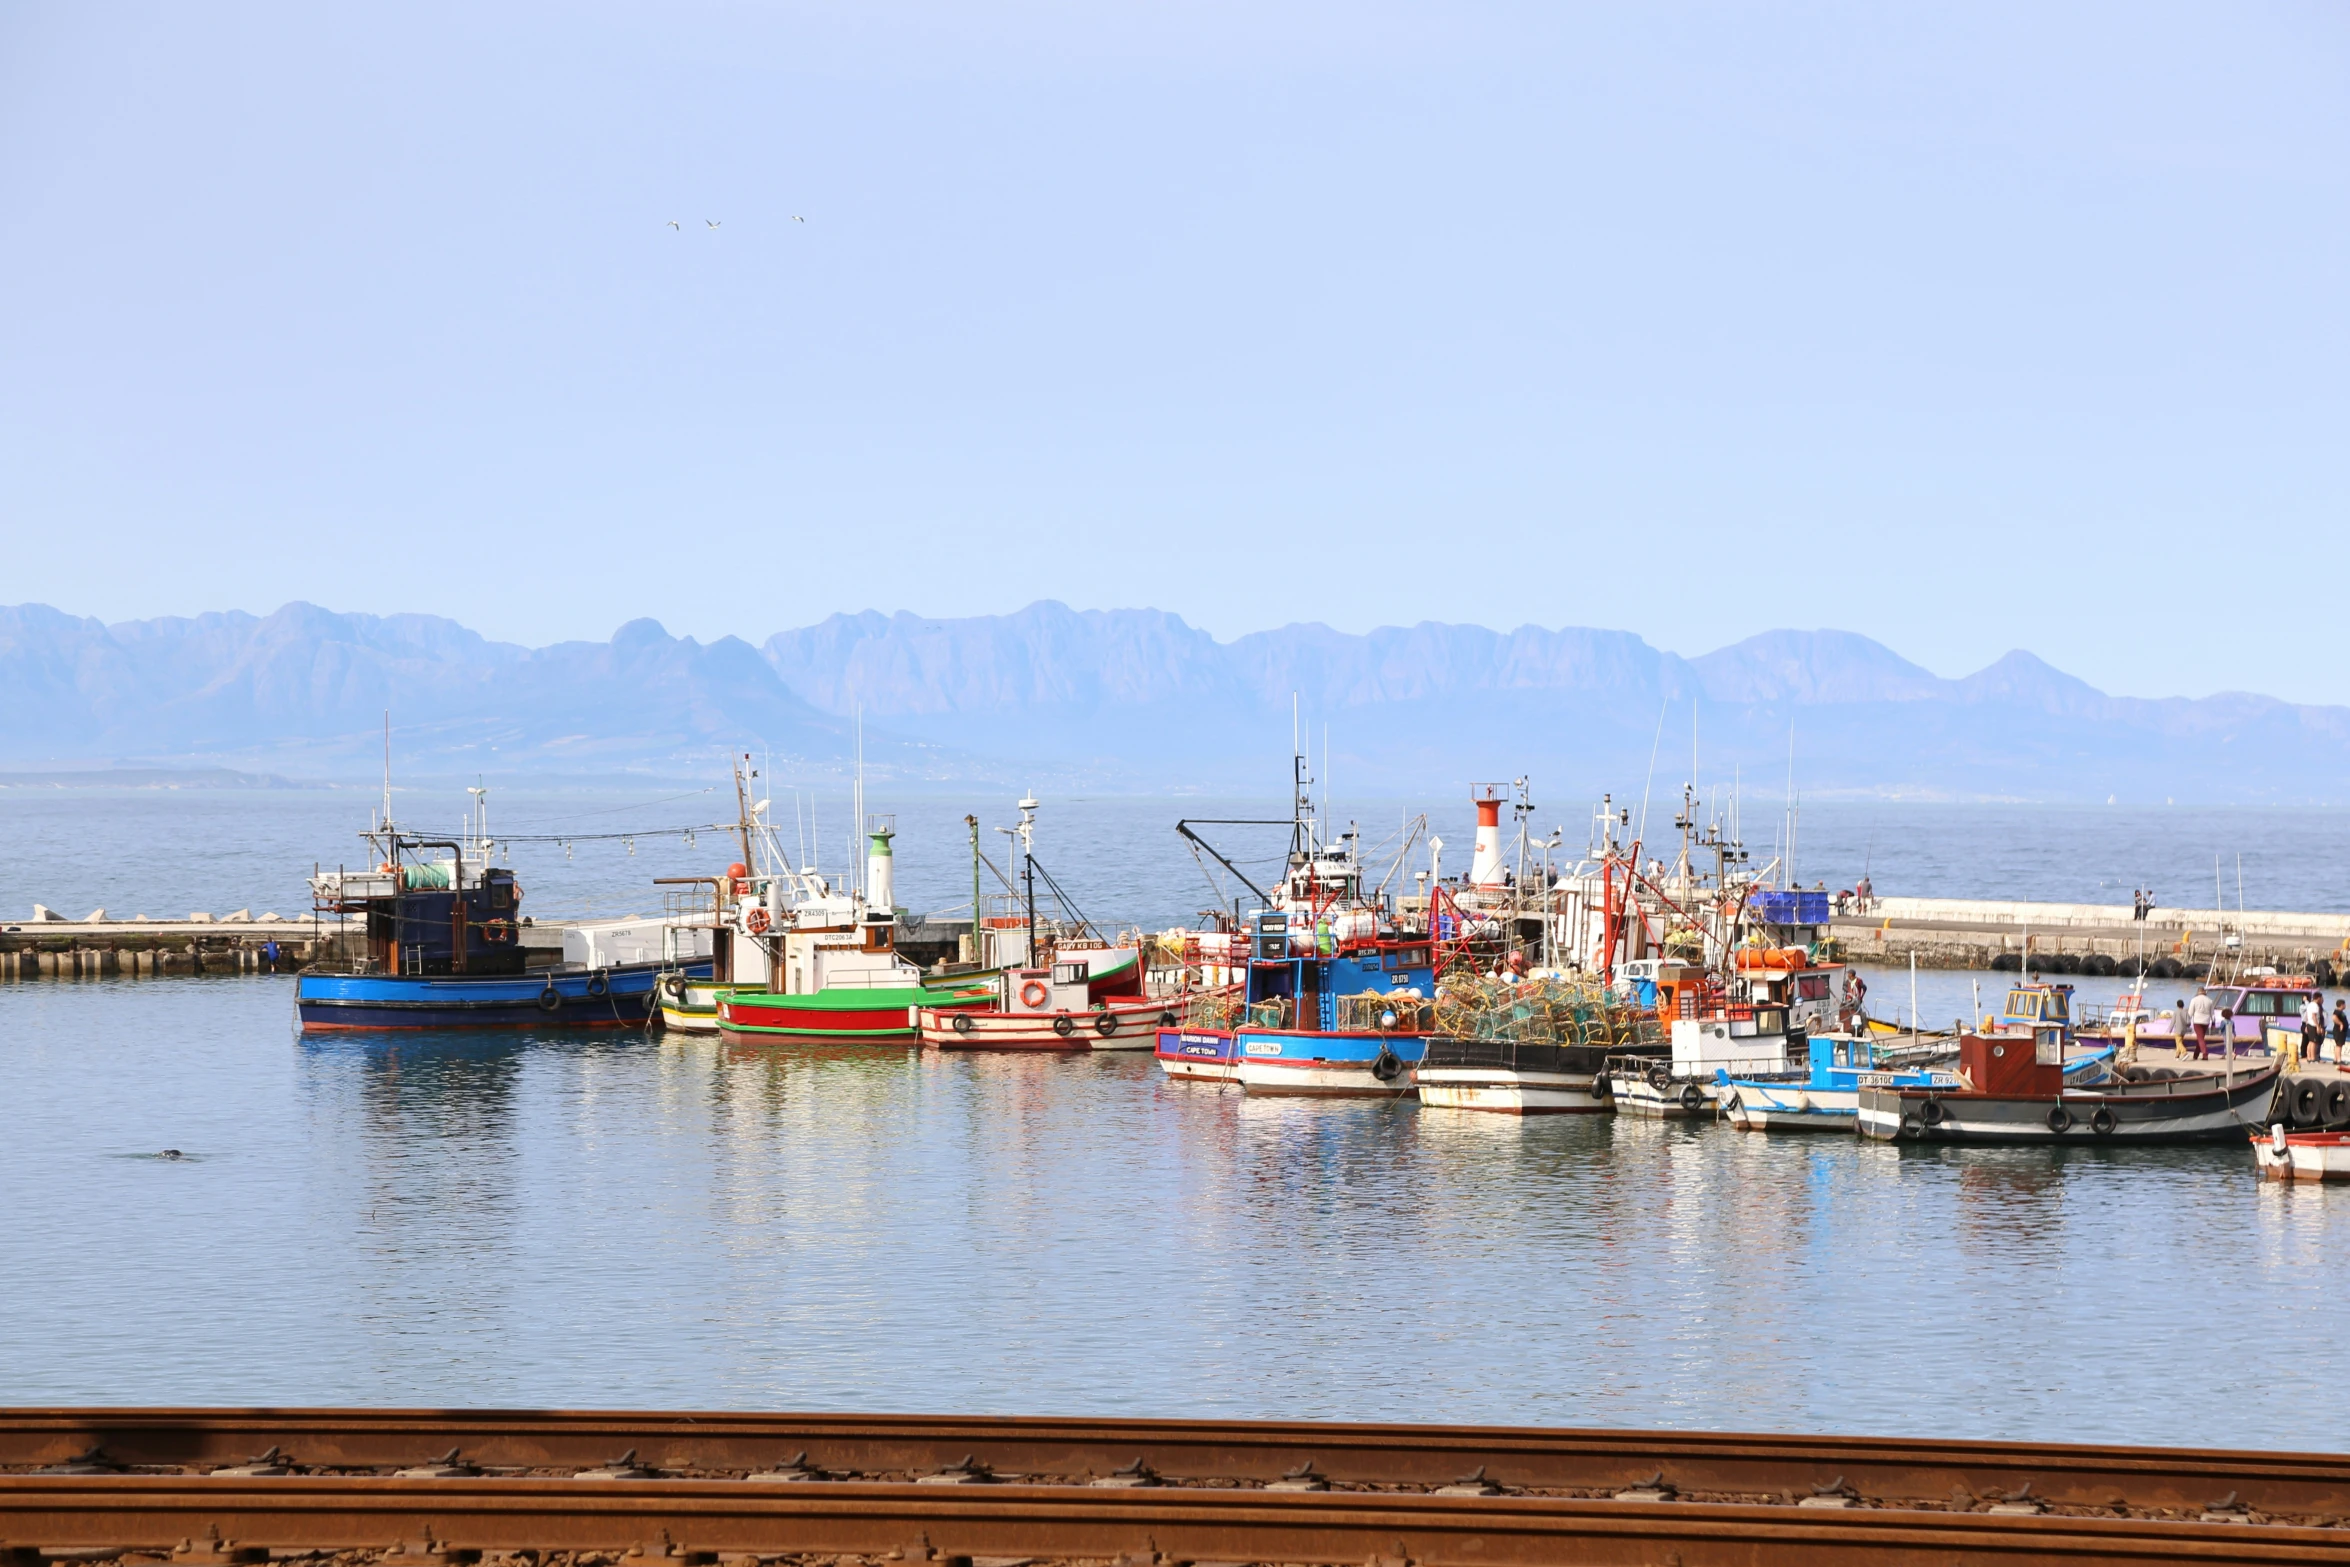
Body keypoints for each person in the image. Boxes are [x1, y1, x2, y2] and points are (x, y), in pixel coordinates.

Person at [2185, 989, 2214, 1060]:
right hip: (2206, 1021)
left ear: (2198, 992)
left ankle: (2205, 1054)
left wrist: (2187, 1020)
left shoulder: (2194, 1000)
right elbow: (2212, 1013)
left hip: (2197, 1021)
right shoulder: (2210, 1000)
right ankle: (2196, 1055)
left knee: (2200, 1038)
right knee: (2200, 1038)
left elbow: (2190, 1012)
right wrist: (2213, 1022)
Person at [2332, 1000, 2348, 1065]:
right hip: (2339, 1030)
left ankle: (2335, 1059)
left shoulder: (2341, 1012)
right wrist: (2340, 1023)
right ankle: (2339, 1060)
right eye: (2344, 1004)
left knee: (2338, 1045)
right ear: (2342, 1005)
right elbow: (2334, 1017)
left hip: (2341, 1031)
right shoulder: (2337, 1011)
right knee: (2339, 1045)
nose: (2345, 1006)